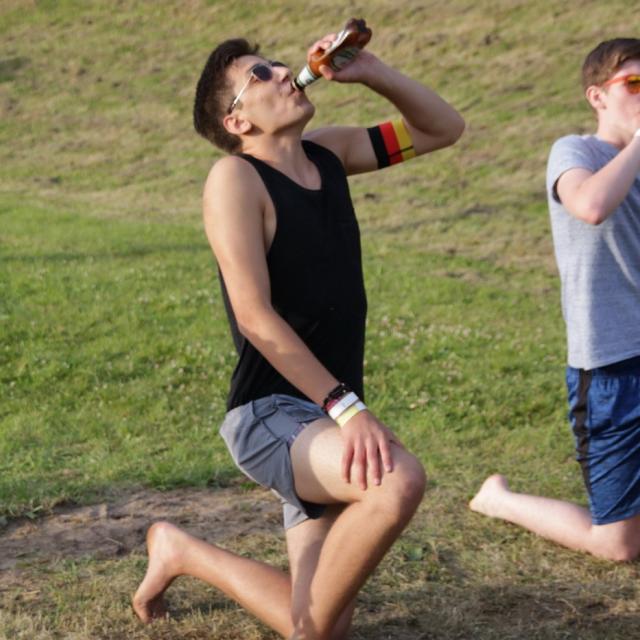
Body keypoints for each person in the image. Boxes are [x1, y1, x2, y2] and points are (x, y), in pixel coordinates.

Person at [132, 29, 464, 639]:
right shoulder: (235, 179)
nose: (284, 72)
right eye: (259, 75)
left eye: (279, 65)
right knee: (397, 480)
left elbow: (444, 128)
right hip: (270, 414)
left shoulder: (330, 154)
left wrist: (372, 71)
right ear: (237, 122)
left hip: (322, 419)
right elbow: (254, 316)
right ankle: (183, 549)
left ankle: (181, 551)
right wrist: (347, 408)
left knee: (317, 630)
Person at [470, 38, 640, 563]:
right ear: (597, 96)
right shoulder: (575, 152)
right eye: (634, 83)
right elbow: (590, 205)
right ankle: (498, 499)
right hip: (612, 367)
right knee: (617, 546)